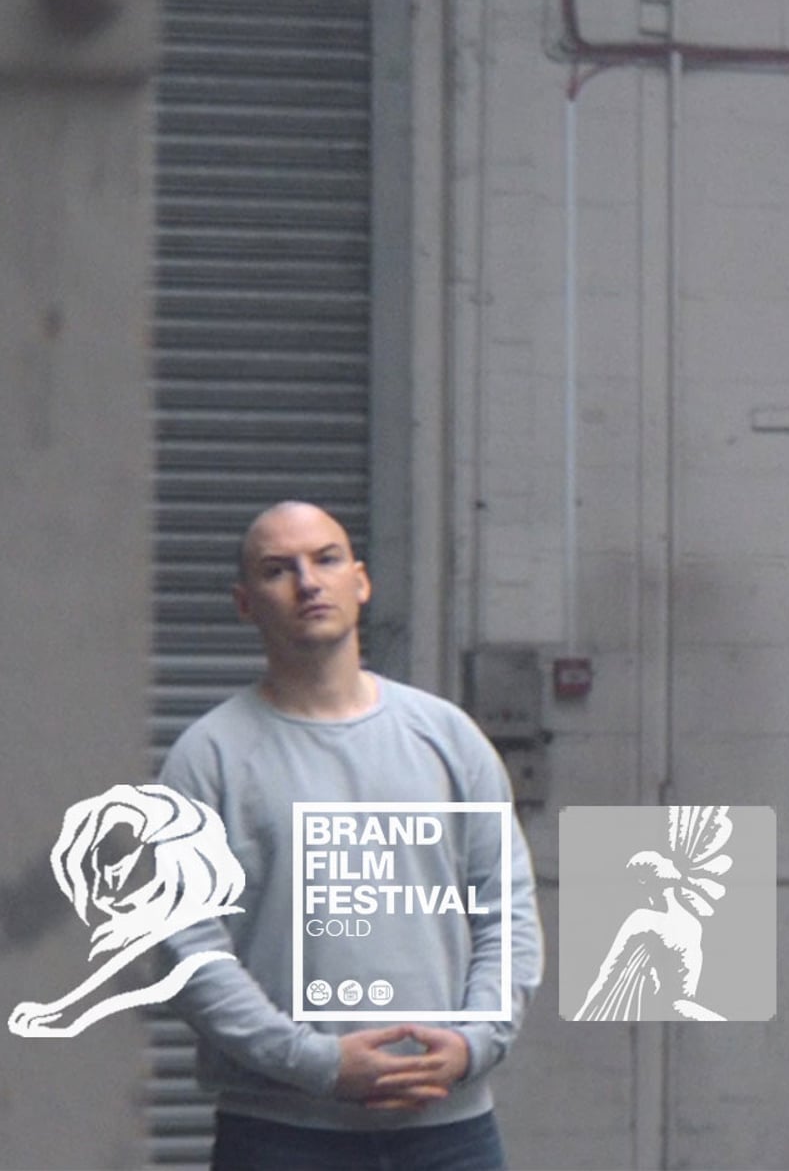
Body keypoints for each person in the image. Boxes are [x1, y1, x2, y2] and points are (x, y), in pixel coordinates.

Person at [157, 501, 542, 1171]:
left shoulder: (449, 737)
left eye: (326, 559)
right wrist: (316, 1063)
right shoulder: (208, 757)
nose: (308, 582)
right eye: (278, 569)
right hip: (281, 1134)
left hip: (450, 1134)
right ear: (245, 603)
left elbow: (505, 912)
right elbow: (188, 949)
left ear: (360, 582)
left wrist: (476, 1042)